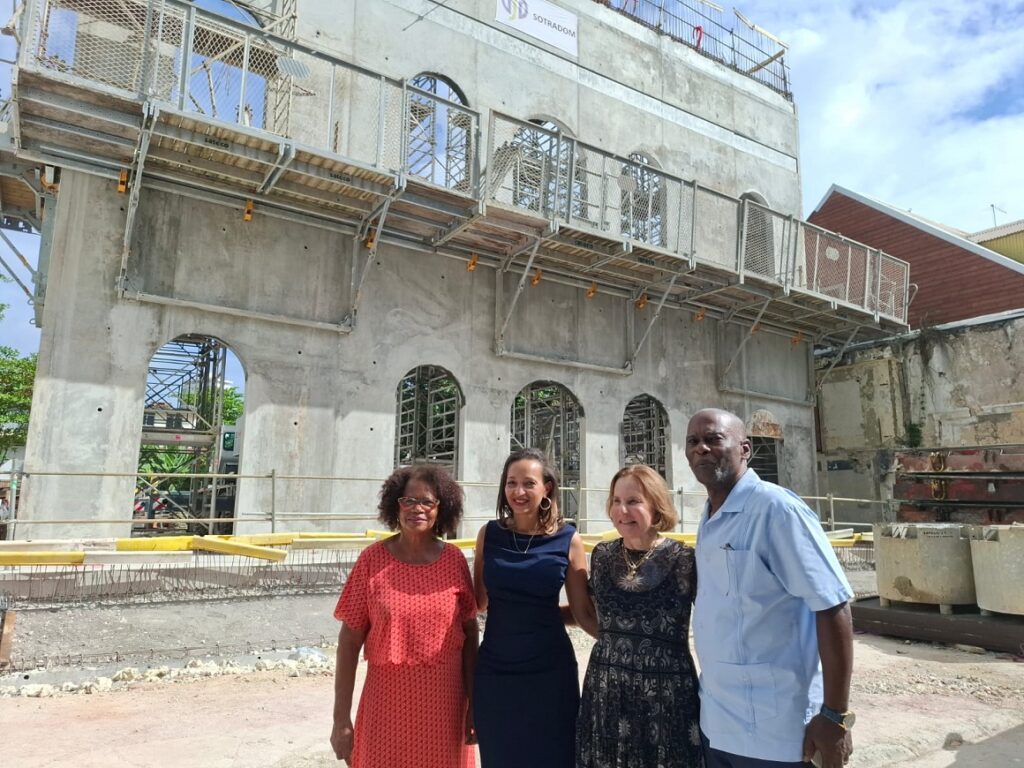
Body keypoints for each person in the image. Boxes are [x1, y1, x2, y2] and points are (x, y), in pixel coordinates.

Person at [686, 408, 855, 768]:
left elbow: (832, 605)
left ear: (745, 449)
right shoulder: (710, 517)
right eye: (693, 441)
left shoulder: (776, 510)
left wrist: (834, 715)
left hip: (777, 731)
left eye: (714, 439)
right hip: (718, 722)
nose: (701, 448)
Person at [331, 464, 478, 768]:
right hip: (385, 708)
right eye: (408, 500)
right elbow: (348, 642)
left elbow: (470, 636)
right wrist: (341, 719)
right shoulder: (371, 561)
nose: (417, 508)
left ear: (441, 508)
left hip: (445, 709)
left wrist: (475, 706)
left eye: (427, 501)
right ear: (395, 505)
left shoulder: (454, 561)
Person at [576, 464, 704, 768]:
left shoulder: (684, 560)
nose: (623, 510)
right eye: (616, 501)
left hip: (666, 694)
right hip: (606, 689)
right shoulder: (602, 555)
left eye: (633, 501)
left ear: (656, 506)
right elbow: (592, 614)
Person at [472, 448, 591, 768]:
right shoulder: (489, 534)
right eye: (511, 483)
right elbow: (478, 602)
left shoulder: (568, 539)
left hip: (550, 674)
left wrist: (623, 641)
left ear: (546, 488)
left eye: (528, 483)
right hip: (496, 673)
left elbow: (582, 612)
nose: (518, 491)